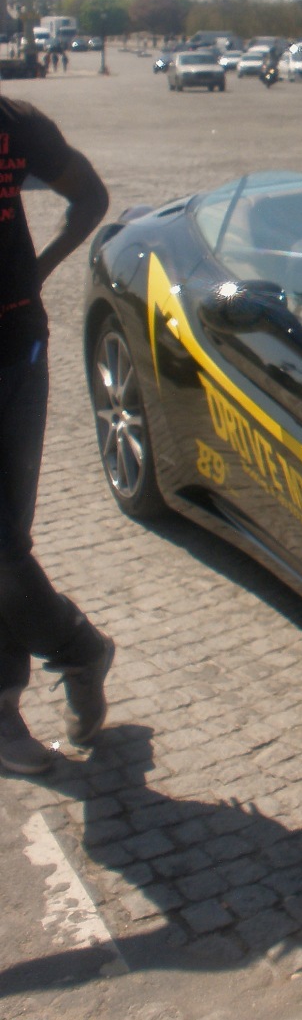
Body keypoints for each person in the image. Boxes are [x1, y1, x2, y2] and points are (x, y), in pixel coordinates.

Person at [0, 94, 113, 774]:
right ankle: (74, 649)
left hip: (17, 356)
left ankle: (23, 692)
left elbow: (91, 198)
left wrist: (36, 271)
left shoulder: (15, 126)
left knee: (7, 547)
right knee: (3, 550)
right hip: (21, 352)